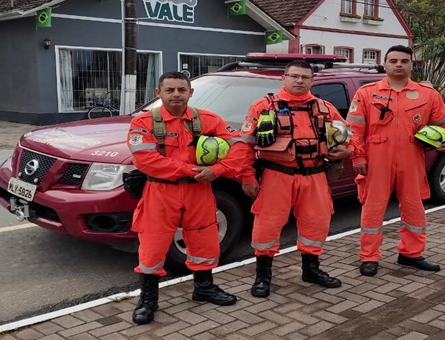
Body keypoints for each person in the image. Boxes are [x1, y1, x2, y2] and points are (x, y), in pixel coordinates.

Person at [126, 71, 248, 325]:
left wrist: (218, 170)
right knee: (152, 244)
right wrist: (192, 171)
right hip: (161, 191)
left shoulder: (207, 119)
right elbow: (145, 160)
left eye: (182, 90)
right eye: (169, 90)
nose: (176, 95)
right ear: (158, 93)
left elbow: (239, 148)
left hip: (199, 191)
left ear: (191, 93)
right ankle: (148, 300)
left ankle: (203, 288)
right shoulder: (143, 123)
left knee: (204, 238)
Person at [346, 45, 445, 276]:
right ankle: (369, 257)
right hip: (376, 159)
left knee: (414, 208)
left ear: (412, 64)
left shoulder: (427, 94)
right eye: (393, 61)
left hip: (412, 158)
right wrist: (358, 155)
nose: (398, 64)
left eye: (404, 61)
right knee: (373, 209)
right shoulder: (366, 93)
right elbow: (353, 130)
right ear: (385, 65)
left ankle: (411, 254)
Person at [240, 60, 352, 298]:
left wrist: (347, 151)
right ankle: (263, 276)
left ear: (312, 81)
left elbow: (347, 137)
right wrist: (247, 177)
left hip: (315, 175)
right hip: (276, 175)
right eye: (294, 76)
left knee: (316, 223)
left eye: (304, 77)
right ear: (284, 78)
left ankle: (311, 270)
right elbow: (244, 147)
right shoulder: (263, 106)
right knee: (267, 226)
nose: (299, 81)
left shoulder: (325, 107)